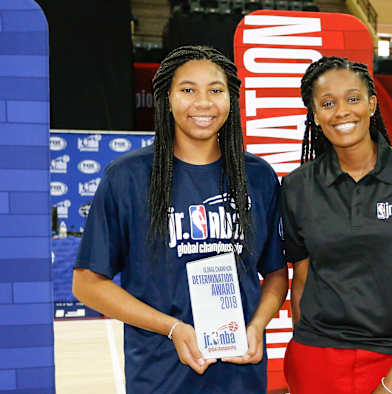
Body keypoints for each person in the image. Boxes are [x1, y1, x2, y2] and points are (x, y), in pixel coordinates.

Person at [72, 46, 288, 393]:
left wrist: (258, 325)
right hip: (160, 375)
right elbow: (86, 283)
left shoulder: (258, 176)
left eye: (215, 90)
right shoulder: (128, 177)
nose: (203, 102)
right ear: (167, 99)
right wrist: (172, 328)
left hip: (239, 376)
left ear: (231, 99)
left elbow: (276, 273)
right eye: (188, 90)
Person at [281, 57, 392, 394]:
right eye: (328, 103)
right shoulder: (297, 187)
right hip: (318, 359)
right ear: (315, 115)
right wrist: (305, 361)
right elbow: (301, 280)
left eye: (352, 98)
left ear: (372, 104)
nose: (342, 111)